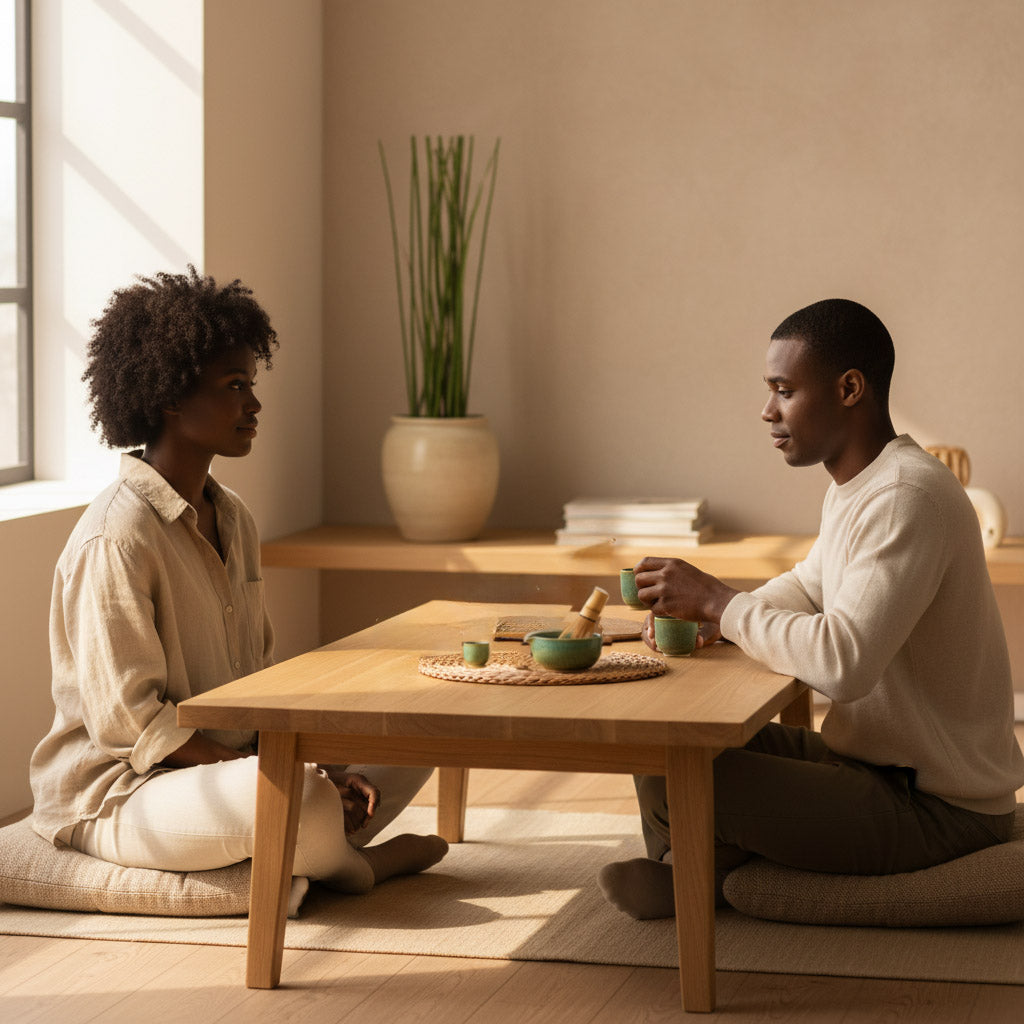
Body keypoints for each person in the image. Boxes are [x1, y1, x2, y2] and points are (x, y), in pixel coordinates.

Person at [598, 297, 1024, 920]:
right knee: (665, 747)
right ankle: (694, 868)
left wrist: (721, 599)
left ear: (849, 388)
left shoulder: (907, 495)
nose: (766, 411)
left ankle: (697, 878)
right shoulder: (860, 484)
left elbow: (844, 662)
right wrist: (712, 619)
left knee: (683, 781)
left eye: (784, 389)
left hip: (935, 805)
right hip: (870, 764)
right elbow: (808, 584)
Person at [29, 267, 447, 895]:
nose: (253, 405)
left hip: (230, 772)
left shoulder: (234, 518)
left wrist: (324, 764)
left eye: (251, 384)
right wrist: (283, 775)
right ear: (171, 396)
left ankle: (310, 835)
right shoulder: (115, 537)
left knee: (426, 721)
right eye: (234, 386)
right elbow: (132, 727)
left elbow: (260, 683)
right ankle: (357, 867)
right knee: (299, 799)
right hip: (126, 793)